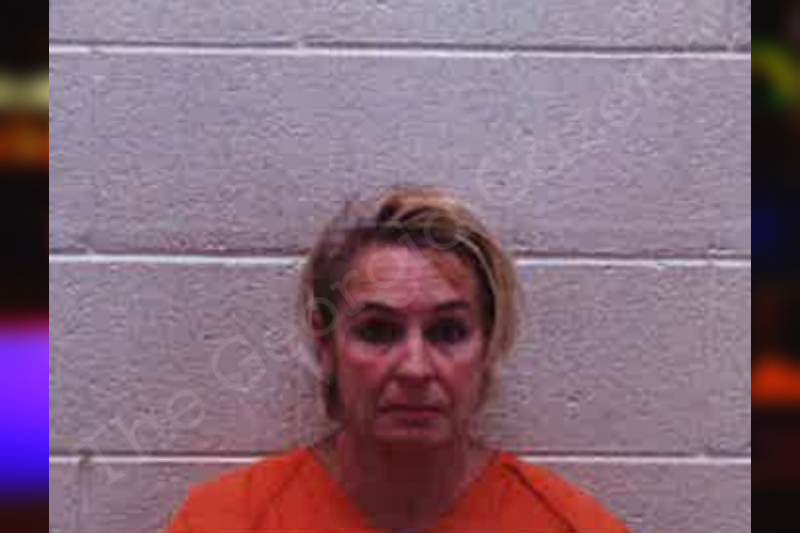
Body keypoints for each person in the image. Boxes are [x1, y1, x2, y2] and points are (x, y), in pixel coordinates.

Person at [164, 185, 632, 532]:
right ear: (325, 346)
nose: (414, 368)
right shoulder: (225, 521)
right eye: (377, 331)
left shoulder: (572, 526)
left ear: (489, 346)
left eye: (448, 332)